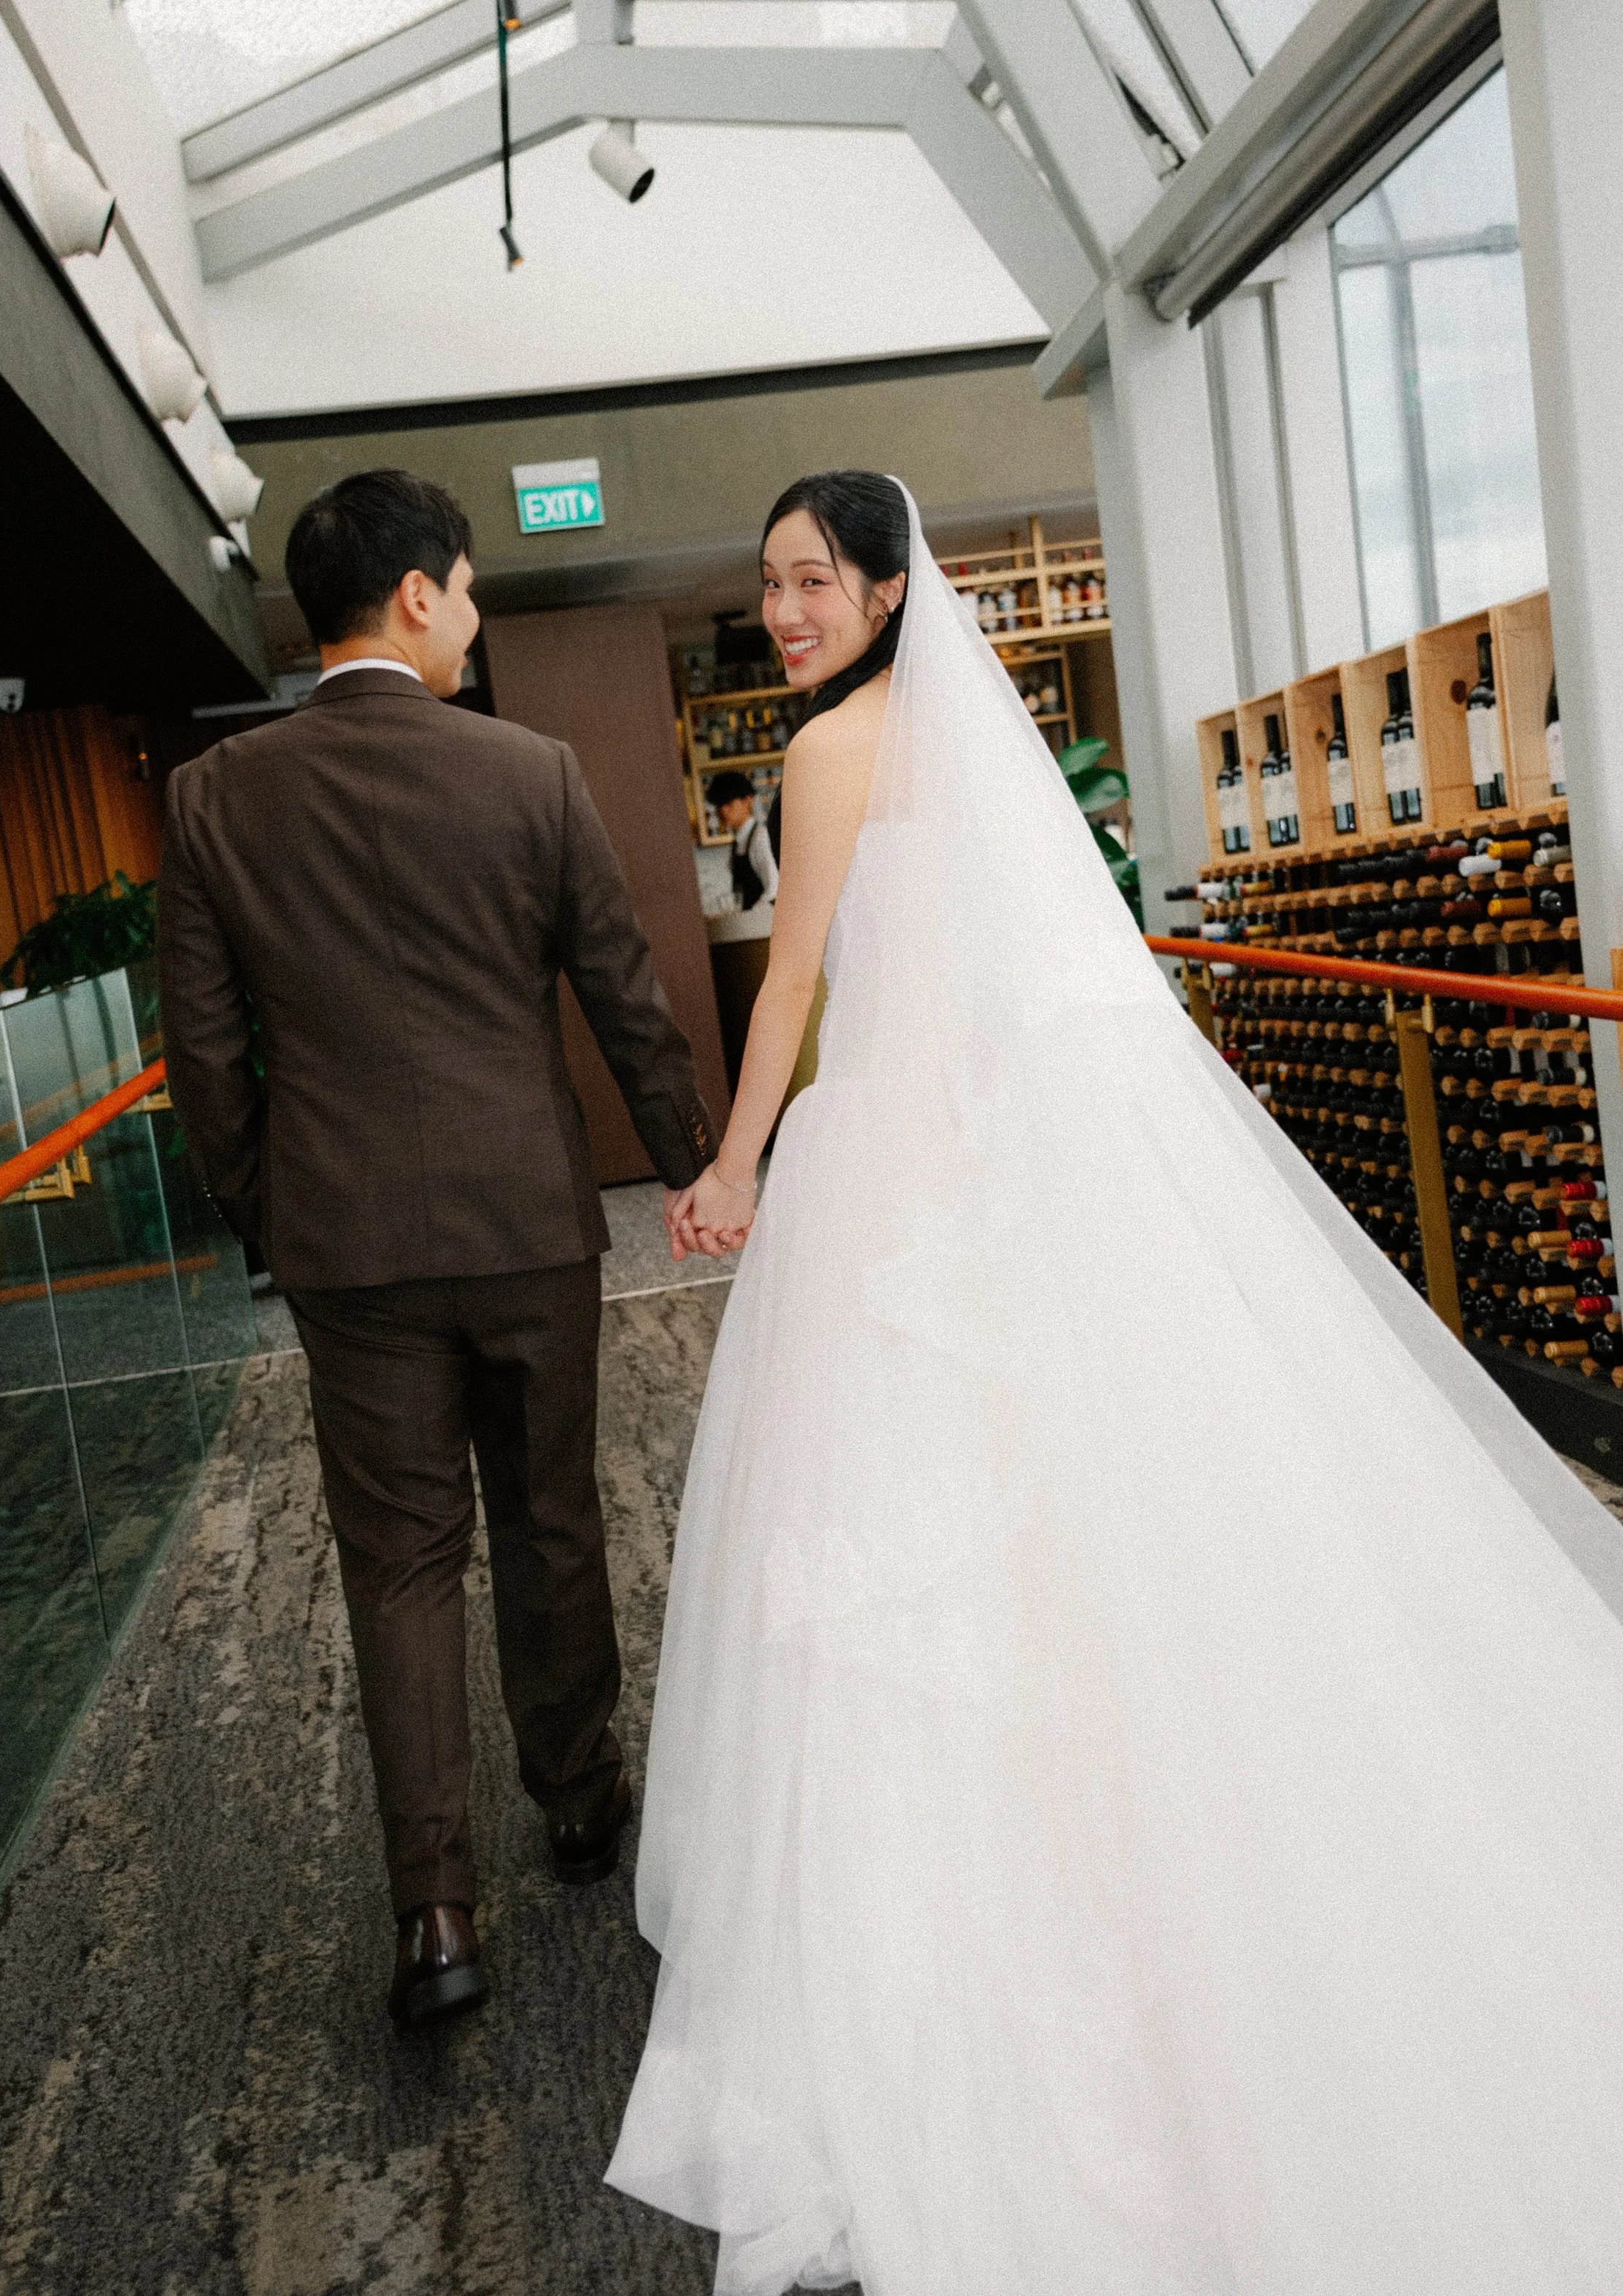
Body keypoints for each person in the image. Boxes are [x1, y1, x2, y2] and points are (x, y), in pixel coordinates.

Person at [607, 469, 1623, 2292]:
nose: (785, 610)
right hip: (989, 1155)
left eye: (811, 578)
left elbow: (791, 985)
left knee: (911, 1556)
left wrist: (739, 1158)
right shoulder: (973, 754)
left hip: (900, 1172)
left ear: (883, 586)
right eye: (767, 584)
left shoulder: (841, 747)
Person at [156, 467, 717, 2032]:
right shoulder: (529, 772)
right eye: (466, 589)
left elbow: (206, 1058)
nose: (472, 619)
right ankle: (582, 1798)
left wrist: (278, 1212)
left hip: (348, 1249)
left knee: (398, 1563)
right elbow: (622, 990)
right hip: (526, 1220)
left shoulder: (214, 797)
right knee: (547, 1517)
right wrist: (695, 1163)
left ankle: (436, 1915)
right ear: (415, 592)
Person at [705, 769, 780, 916]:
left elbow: (774, 891)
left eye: (728, 802)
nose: (723, 810)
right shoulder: (738, 843)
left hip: (762, 926)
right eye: (719, 804)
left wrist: (747, 916)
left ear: (748, 800)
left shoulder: (760, 838)